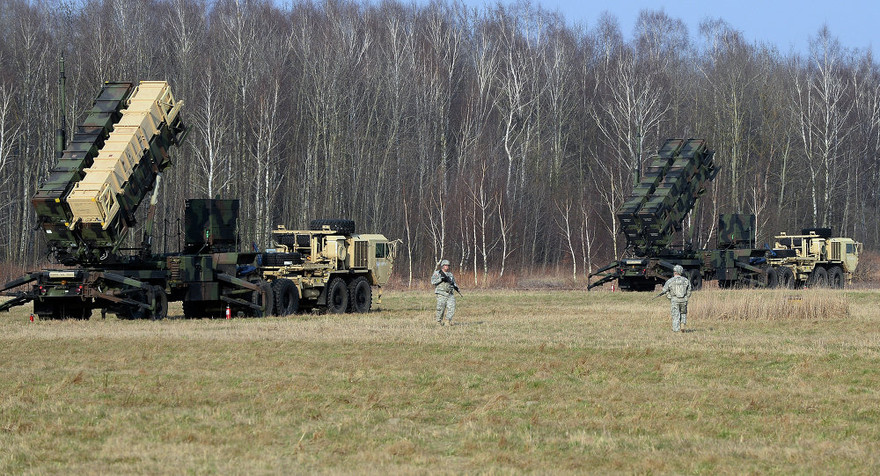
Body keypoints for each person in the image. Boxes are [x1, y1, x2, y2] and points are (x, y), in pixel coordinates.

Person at [661, 265, 692, 332]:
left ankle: (676, 330)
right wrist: (686, 297)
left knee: (675, 315)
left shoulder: (670, 281)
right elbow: (689, 290)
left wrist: (670, 297)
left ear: (674, 272)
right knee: (683, 313)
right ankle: (682, 325)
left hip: (675, 299)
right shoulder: (686, 280)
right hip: (684, 299)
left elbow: (665, 290)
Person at [431, 259, 457, 326]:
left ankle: (448, 321)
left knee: (452, 308)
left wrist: (456, 288)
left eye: (448, 265)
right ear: (442, 266)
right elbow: (433, 282)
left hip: (450, 293)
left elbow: (453, 283)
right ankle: (438, 322)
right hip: (441, 293)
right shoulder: (437, 273)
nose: (447, 267)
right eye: (445, 265)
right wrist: (441, 279)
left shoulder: (450, 274)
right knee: (440, 308)